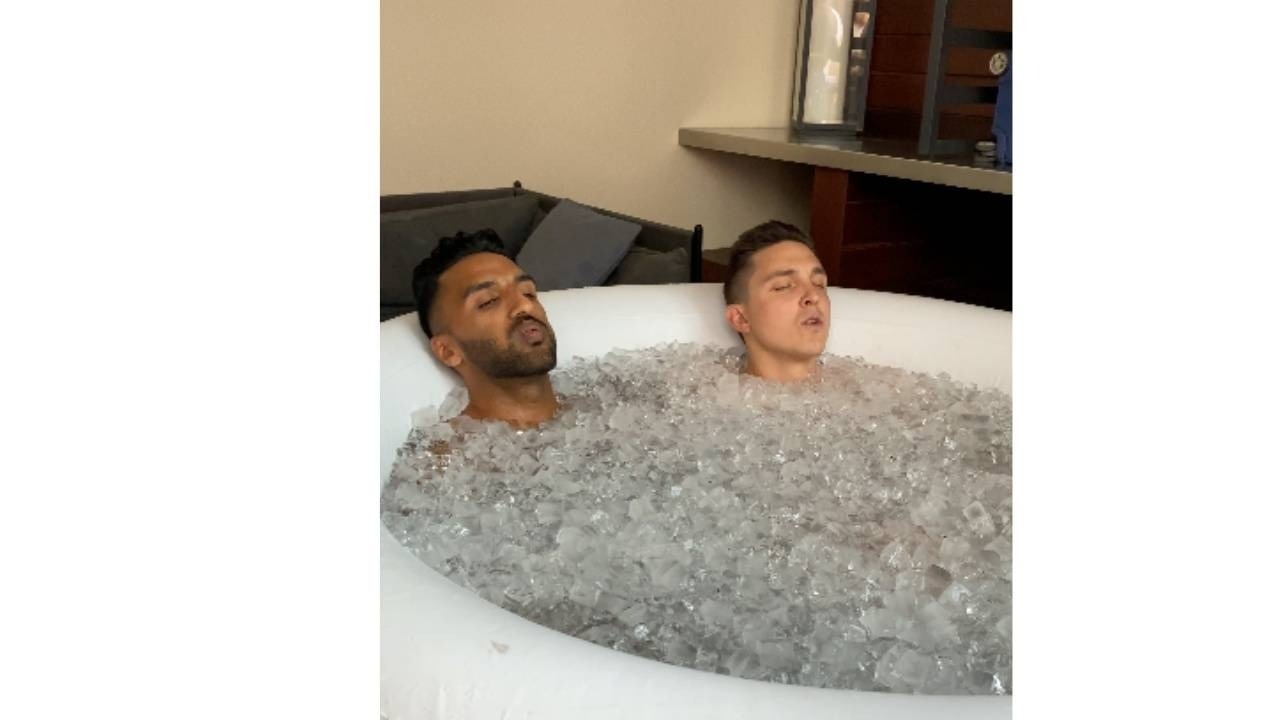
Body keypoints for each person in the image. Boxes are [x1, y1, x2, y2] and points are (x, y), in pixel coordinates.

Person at [411, 229, 559, 426]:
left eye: (528, 293)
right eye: (489, 301)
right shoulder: (456, 446)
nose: (525, 305)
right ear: (448, 351)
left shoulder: (596, 404)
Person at [722, 220, 831, 382]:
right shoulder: (710, 394)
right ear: (740, 318)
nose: (814, 296)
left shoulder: (860, 386)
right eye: (783, 286)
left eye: (819, 284)